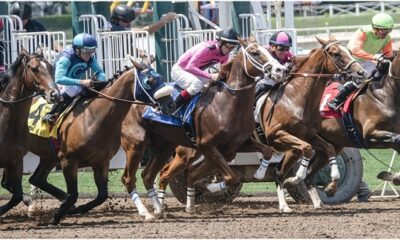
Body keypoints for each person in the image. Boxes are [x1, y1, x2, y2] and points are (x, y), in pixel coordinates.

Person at [327, 12, 394, 110]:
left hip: (367, 61)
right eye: (383, 30)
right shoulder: (363, 32)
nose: (386, 33)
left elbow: (389, 55)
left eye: (389, 30)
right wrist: (374, 57)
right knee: (363, 78)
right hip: (351, 60)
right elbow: (355, 50)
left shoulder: (387, 38)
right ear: (375, 28)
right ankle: (336, 100)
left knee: (382, 75)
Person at [42, 33, 106, 124]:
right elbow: (59, 79)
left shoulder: (90, 57)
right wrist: (82, 82)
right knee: (74, 89)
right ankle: (52, 113)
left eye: (92, 51)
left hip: (74, 82)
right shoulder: (66, 58)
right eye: (86, 51)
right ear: (77, 49)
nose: (89, 54)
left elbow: (100, 72)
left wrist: (100, 80)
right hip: (57, 84)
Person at [171, 28, 240, 109]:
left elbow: (223, 72)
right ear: (220, 42)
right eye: (228, 47)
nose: (229, 50)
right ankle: (173, 108)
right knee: (197, 84)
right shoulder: (206, 49)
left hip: (193, 72)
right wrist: (210, 76)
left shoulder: (225, 54)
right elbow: (190, 67)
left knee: (216, 84)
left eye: (233, 48)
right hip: (180, 70)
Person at [254, 31, 294, 99]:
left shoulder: (288, 54)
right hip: (260, 79)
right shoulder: (264, 53)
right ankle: (253, 102)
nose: (284, 52)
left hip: (277, 78)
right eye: (281, 48)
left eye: (287, 49)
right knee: (271, 81)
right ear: (272, 47)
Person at [108, 4, 177, 34]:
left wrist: (143, 55)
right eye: (126, 21)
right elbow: (144, 31)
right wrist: (164, 20)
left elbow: (125, 47)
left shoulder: (115, 24)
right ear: (116, 19)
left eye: (131, 20)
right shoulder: (115, 29)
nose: (129, 24)